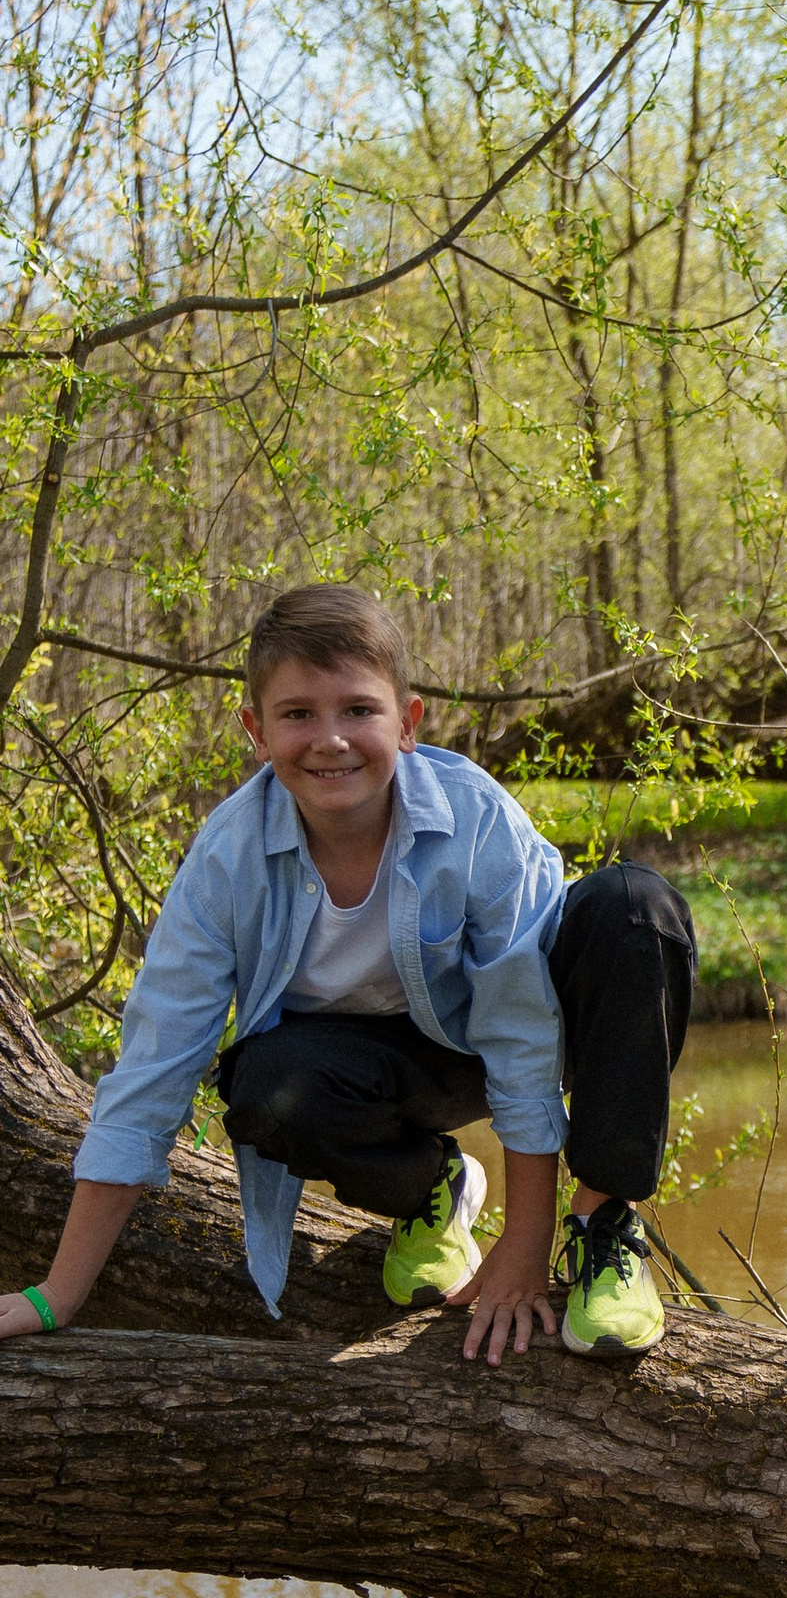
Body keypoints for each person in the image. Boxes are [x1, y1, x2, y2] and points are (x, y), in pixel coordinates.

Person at [0, 582, 695, 1365]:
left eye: (358, 710)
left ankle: (604, 1220)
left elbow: (522, 1026)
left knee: (634, 907)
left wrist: (524, 1247)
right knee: (265, 1088)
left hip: (523, 1035)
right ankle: (432, 1188)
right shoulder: (227, 861)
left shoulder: (476, 819)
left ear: (409, 721)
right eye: (298, 714)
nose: (330, 739)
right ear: (256, 731)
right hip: (375, 1074)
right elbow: (154, 1069)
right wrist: (57, 1294)